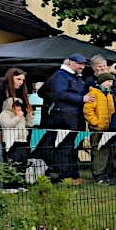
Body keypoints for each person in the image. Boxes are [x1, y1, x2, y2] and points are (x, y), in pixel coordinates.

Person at [42, 54, 89, 182]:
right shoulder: (60, 76)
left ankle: (72, 175)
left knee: (71, 146)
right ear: (70, 62)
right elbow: (60, 94)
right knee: (62, 146)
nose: (82, 66)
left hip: (75, 116)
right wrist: (82, 99)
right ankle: (62, 175)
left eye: (83, 64)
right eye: (79, 63)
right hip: (63, 116)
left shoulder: (77, 77)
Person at [84, 73, 116, 182]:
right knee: (98, 151)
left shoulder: (109, 94)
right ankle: (98, 174)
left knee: (106, 151)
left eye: (112, 82)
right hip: (97, 128)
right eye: (109, 81)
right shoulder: (94, 93)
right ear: (102, 82)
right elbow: (88, 110)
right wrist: (95, 122)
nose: (110, 84)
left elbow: (112, 110)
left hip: (108, 128)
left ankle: (106, 173)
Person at [0, 97, 30, 175]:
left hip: (23, 142)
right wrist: (17, 117)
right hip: (12, 143)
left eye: (20, 105)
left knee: (22, 165)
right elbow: (8, 124)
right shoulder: (4, 114)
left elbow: (28, 125)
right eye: (16, 105)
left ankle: (22, 180)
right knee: (13, 166)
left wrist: (29, 115)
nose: (19, 107)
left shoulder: (20, 114)